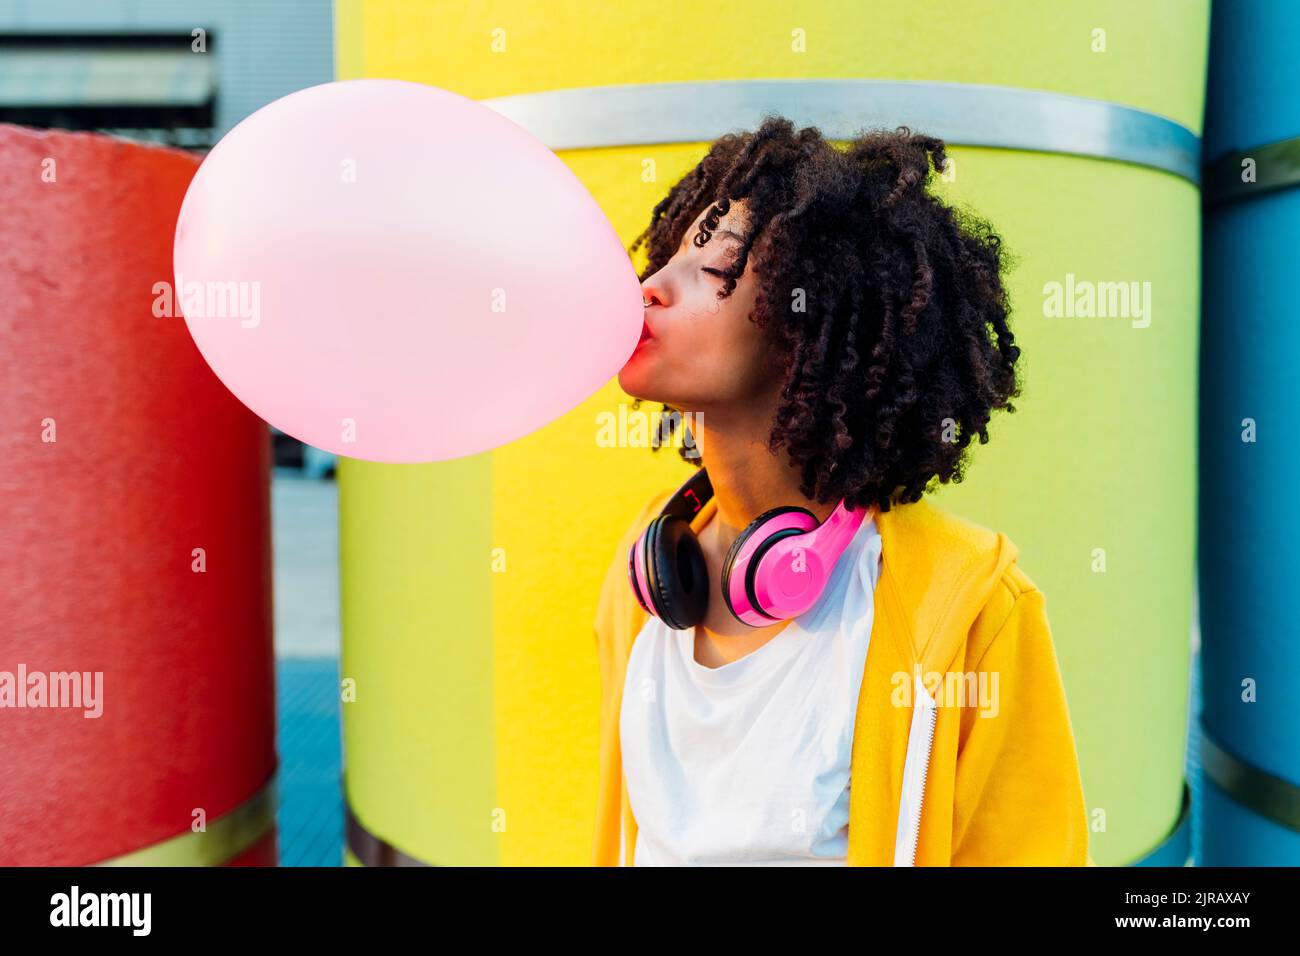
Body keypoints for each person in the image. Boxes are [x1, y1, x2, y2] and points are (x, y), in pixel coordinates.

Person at [593, 116, 1093, 866]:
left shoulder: (973, 610)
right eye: (663, 261)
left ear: (808, 319)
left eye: (711, 267)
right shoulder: (647, 580)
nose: (650, 290)